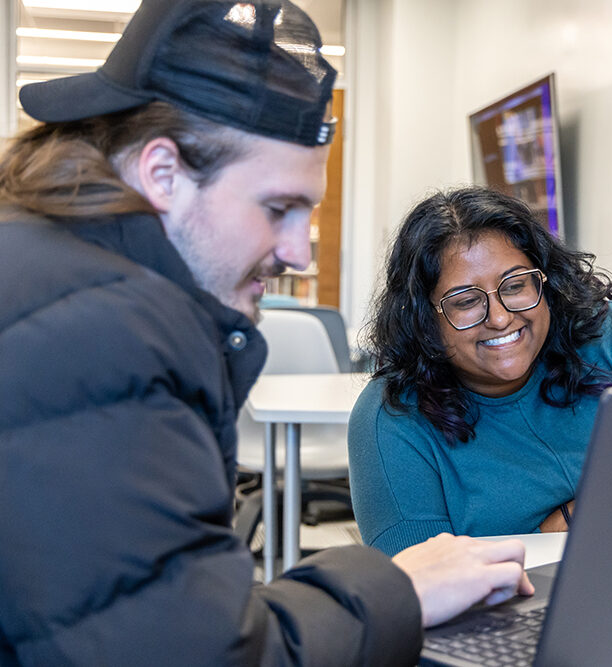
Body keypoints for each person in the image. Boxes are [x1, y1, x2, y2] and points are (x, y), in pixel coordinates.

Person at [0, 3, 534, 665]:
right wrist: (396, 589)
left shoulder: (39, 266)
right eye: (278, 208)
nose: (298, 253)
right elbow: (197, 653)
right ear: (162, 173)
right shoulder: (108, 333)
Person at [348, 186, 612, 556]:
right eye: (465, 302)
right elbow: (420, 590)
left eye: (515, 286)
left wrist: (569, 519)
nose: (499, 318)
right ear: (423, 318)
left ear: (545, 281)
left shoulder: (610, 336)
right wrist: (589, 513)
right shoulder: (392, 418)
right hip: (502, 612)